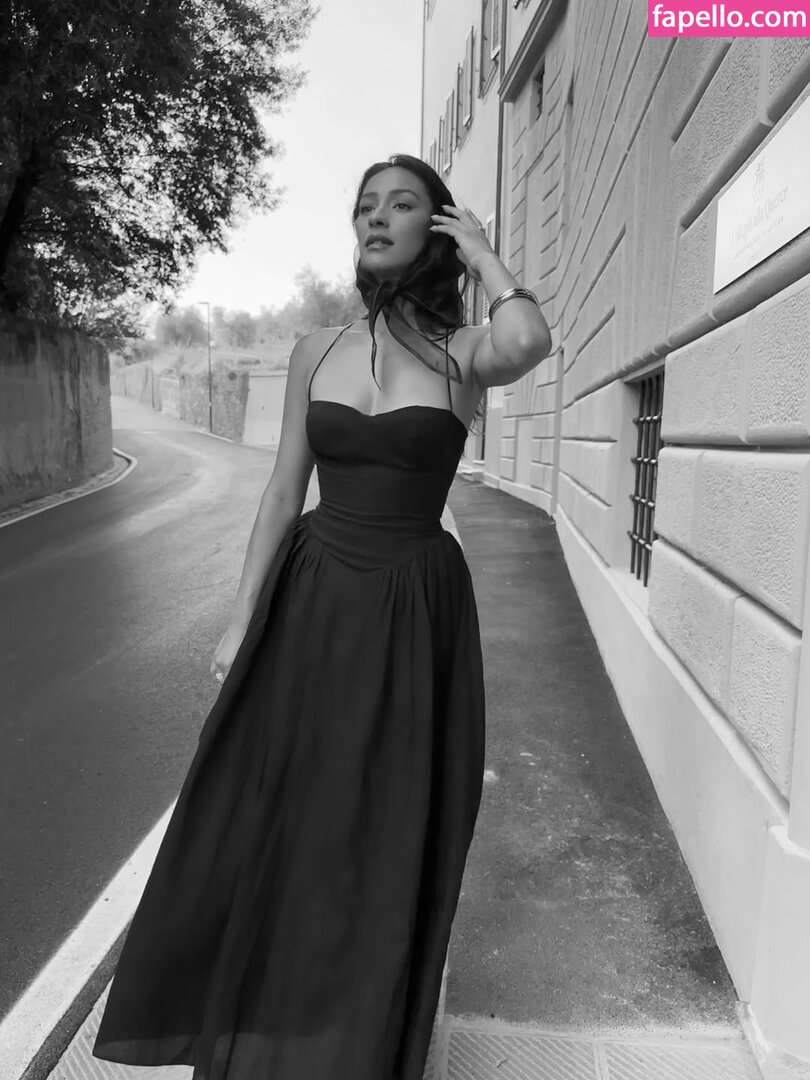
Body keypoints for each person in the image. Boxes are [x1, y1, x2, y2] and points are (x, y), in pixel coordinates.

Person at [92, 153, 551, 1080]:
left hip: (412, 609)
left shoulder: (465, 354)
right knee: (280, 809)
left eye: (402, 205)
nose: (376, 218)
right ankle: (268, 1014)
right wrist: (239, 619)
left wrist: (485, 256)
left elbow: (529, 339)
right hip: (311, 599)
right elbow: (279, 492)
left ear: (436, 228)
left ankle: (354, 1039)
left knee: (381, 822)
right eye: (366, 206)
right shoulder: (316, 348)